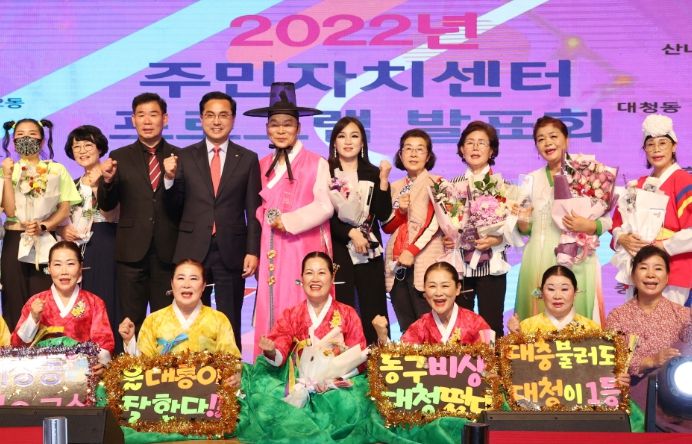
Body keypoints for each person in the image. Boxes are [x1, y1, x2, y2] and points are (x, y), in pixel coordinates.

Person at [163, 91, 261, 351]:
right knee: (190, 318)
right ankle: (192, 369)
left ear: (233, 119)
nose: (216, 121)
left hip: (232, 249)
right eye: (210, 115)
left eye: (223, 115)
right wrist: (169, 179)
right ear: (201, 119)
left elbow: (254, 210)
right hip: (192, 249)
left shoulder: (247, 158)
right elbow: (173, 206)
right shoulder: (184, 156)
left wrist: (252, 250)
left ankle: (232, 372)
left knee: (230, 317)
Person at [239, 252, 369, 443]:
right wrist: (271, 350)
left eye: (321, 273)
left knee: (352, 402)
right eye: (309, 273)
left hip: (335, 381)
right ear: (301, 278)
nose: (315, 279)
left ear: (332, 277)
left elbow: (358, 354)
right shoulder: (292, 314)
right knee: (266, 398)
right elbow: (281, 341)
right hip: (297, 380)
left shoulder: (347, 313)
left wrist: (333, 378)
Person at [244, 82, 333, 355]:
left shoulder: (317, 162)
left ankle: (309, 369)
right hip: (271, 248)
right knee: (271, 303)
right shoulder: (261, 165)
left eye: (287, 124)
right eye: (275, 125)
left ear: (298, 127)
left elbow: (325, 206)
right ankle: (270, 368)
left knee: (303, 299)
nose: (281, 130)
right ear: (267, 129)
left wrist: (290, 221)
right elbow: (255, 210)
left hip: (303, 246)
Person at [514, 116, 610, 325]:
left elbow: (607, 220)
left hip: (577, 258)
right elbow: (526, 229)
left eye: (553, 136)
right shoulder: (530, 179)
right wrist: (522, 221)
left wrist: (590, 226)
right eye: (541, 139)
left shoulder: (587, 172)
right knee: (536, 327)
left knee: (580, 325)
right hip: (538, 258)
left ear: (566, 140)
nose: (547, 143)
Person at [98, 93, 180, 333]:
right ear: (133, 120)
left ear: (165, 119)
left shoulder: (180, 156)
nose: (147, 121)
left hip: (167, 251)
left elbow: (182, 204)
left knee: (166, 323)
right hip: (131, 253)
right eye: (141, 115)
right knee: (130, 321)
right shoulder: (119, 157)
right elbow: (106, 205)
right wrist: (107, 181)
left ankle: (164, 360)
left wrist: (171, 178)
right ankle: (130, 359)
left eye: (153, 114)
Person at [1, 118, 81, 331]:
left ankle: (49, 348)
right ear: (12, 140)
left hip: (45, 239)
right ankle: (14, 347)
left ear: (42, 139)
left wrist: (44, 225)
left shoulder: (56, 169)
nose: (26, 138)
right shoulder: (6, 169)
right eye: (20, 135)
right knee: (14, 298)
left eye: (32, 134)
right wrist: (7, 176)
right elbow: (9, 211)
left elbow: (65, 207)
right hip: (14, 239)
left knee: (45, 298)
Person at [612, 114, 691, 305]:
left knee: (668, 322)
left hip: (674, 270)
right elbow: (616, 224)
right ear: (644, 149)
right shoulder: (638, 184)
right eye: (650, 144)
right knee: (635, 321)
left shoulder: (684, 180)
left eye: (663, 143)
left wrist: (662, 245)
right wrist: (622, 238)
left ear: (674, 146)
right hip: (639, 268)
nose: (656, 149)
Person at [327, 116, 392, 344]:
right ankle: (340, 360)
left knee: (373, 306)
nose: (348, 141)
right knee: (342, 308)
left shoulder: (373, 172)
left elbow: (383, 213)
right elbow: (324, 213)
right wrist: (350, 232)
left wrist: (383, 180)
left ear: (362, 142)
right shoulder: (326, 171)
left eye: (354, 136)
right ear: (334, 142)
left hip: (369, 251)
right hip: (339, 248)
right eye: (342, 136)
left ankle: (377, 358)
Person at [446, 121, 510, 338]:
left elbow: (514, 228)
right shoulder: (451, 186)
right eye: (469, 142)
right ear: (461, 149)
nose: (475, 147)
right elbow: (446, 224)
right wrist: (448, 238)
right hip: (459, 265)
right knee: (460, 328)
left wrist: (497, 239)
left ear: (491, 151)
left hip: (491, 264)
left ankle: (493, 362)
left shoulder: (502, 185)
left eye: (481, 143)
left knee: (491, 326)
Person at [59, 125, 120, 351]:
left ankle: (111, 356)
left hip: (105, 243)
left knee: (106, 299)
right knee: (80, 304)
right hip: (77, 250)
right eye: (77, 147)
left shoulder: (112, 177)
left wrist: (98, 187)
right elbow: (61, 219)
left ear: (100, 148)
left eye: (88, 145)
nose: (82, 150)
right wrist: (63, 231)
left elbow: (113, 213)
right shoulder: (72, 185)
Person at [11, 241, 114, 371]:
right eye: (57, 264)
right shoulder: (35, 302)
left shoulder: (94, 302)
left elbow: (104, 344)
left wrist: (102, 364)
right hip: (43, 374)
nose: (64, 271)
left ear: (80, 267)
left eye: (70, 264)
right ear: (49, 268)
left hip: (82, 374)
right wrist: (33, 318)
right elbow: (16, 346)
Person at [382, 129, 444, 333]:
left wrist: (412, 250)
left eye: (420, 149)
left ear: (428, 156)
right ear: (400, 155)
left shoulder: (438, 183)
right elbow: (387, 226)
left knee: (431, 326)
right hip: (396, 263)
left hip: (425, 259)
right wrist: (400, 212)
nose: (414, 154)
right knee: (406, 328)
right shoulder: (395, 187)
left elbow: (435, 223)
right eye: (408, 149)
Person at [119, 258, 240, 358]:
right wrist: (130, 341)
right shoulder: (153, 320)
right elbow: (143, 364)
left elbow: (231, 363)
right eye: (181, 278)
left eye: (193, 278)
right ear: (172, 284)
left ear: (203, 285)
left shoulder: (219, 319)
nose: (186, 285)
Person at [606, 246, 690, 387]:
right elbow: (610, 360)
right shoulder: (617, 316)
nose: (651, 274)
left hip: (672, 391)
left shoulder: (683, 315)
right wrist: (650, 361)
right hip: (629, 392)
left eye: (658, 269)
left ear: (667, 277)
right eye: (644, 268)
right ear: (633, 276)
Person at [373, 261, 490, 345]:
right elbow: (399, 361)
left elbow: (491, 362)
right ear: (424, 289)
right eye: (432, 286)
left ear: (458, 288)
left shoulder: (476, 323)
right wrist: (383, 337)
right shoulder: (419, 327)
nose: (438, 293)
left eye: (445, 286)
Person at [508, 265, 600, 334]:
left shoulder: (592, 329)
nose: (557, 296)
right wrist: (515, 337)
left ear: (575, 292)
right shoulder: (526, 327)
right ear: (542, 292)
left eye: (564, 289)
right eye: (551, 289)